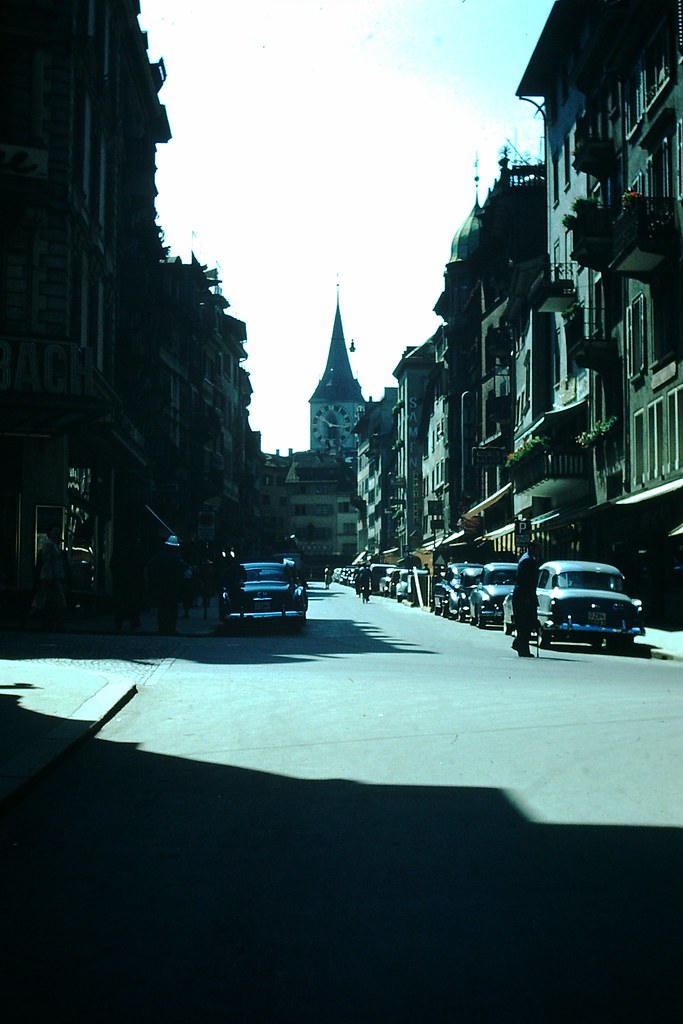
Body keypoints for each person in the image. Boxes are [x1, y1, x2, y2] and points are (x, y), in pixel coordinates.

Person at [146, 534, 186, 635]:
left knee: (162, 608)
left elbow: (150, 566)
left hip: (161, 586)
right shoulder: (176, 557)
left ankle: (162, 628)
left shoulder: (160, 556)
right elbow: (184, 567)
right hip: (173, 587)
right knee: (172, 608)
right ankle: (171, 628)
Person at [34, 524, 68, 631]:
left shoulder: (54, 545)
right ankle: (55, 623)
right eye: (55, 531)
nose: (57, 533)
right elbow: (47, 562)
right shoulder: (49, 545)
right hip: (51, 578)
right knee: (56, 602)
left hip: (54, 578)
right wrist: (49, 578)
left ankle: (52, 623)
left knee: (51, 602)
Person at [110, 538, 144, 632]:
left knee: (121, 603)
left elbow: (112, 566)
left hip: (121, 582)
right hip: (132, 582)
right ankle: (133, 622)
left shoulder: (119, 553)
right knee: (132, 603)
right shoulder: (136, 554)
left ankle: (119, 623)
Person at [512, 541, 539, 658]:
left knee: (526, 623)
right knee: (525, 623)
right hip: (523, 596)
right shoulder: (527, 560)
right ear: (531, 548)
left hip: (524, 595)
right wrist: (527, 597)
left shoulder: (527, 559)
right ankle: (522, 648)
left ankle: (520, 644)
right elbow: (524, 581)